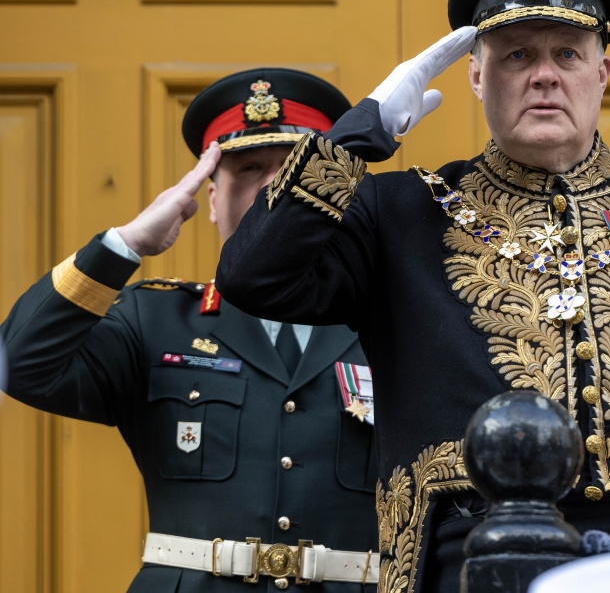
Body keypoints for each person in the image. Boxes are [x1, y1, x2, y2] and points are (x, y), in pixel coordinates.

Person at [215, 0, 610, 593]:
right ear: (475, 75)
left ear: (602, 74)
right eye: (517, 55)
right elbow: (253, 275)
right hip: (461, 555)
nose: (544, 75)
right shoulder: (400, 211)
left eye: (566, 55)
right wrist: (359, 134)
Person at [1, 69, 381, 592]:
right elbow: (20, 364)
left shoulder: (391, 325)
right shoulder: (155, 320)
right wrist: (123, 245)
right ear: (212, 200)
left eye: (294, 170)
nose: (274, 187)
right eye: (247, 169)